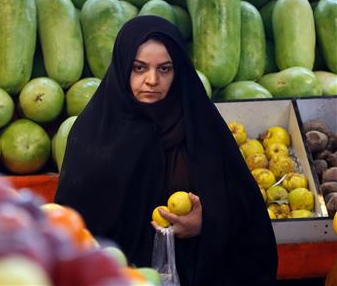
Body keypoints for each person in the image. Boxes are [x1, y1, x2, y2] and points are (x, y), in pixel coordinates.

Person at [55, 15, 278, 286]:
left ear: (179, 71)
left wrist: (205, 224)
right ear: (122, 66)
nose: (151, 80)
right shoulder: (93, 134)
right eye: (139, 68)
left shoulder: (202, 128)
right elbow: (72, 227)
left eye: (164, 69)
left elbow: (248, 216)